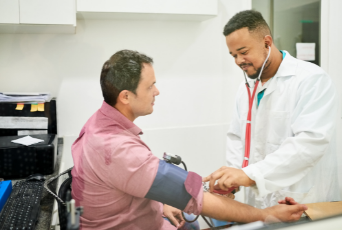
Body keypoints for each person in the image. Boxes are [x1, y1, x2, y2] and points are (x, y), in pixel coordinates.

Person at [71, 49, 307, 230]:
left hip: (121, 217)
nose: (157, 91)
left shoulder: (97, 123)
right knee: (205, 217)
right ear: (125, 96)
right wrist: (267, 214)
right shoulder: (118, 149)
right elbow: (197, 199)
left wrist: (162, 202)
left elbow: (127, 182)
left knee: (191, 222)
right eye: (150, 85)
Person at [203, 10, 340, 209]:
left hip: (301, 196)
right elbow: (237, 137)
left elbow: (310, 142)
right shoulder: (246, 88)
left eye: (243, 52)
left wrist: (249, 175)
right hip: (259, 200)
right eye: (234, 55)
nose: (238, 61)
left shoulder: (311, 80)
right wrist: (232, 179)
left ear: (267, 43)